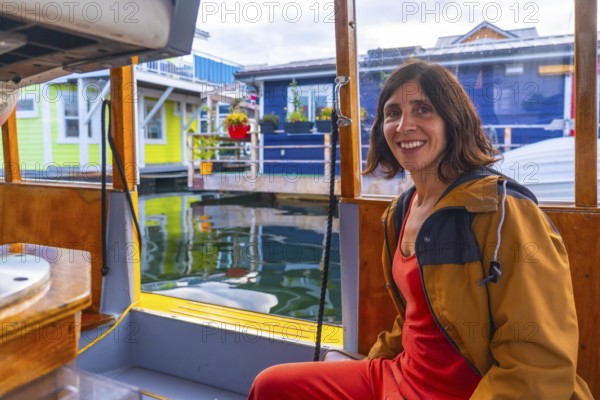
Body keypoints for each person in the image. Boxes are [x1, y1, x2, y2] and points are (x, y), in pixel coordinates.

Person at [248, 60, 593, 399]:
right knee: (271, 385)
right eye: (393, 113)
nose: (403, 125)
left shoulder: (502, 212)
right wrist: (370, 361)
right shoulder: (400, 211)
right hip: (400, 375)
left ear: (452, 121)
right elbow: (416, 319)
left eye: (423, 109)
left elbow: (537, 362)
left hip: (470, 391)